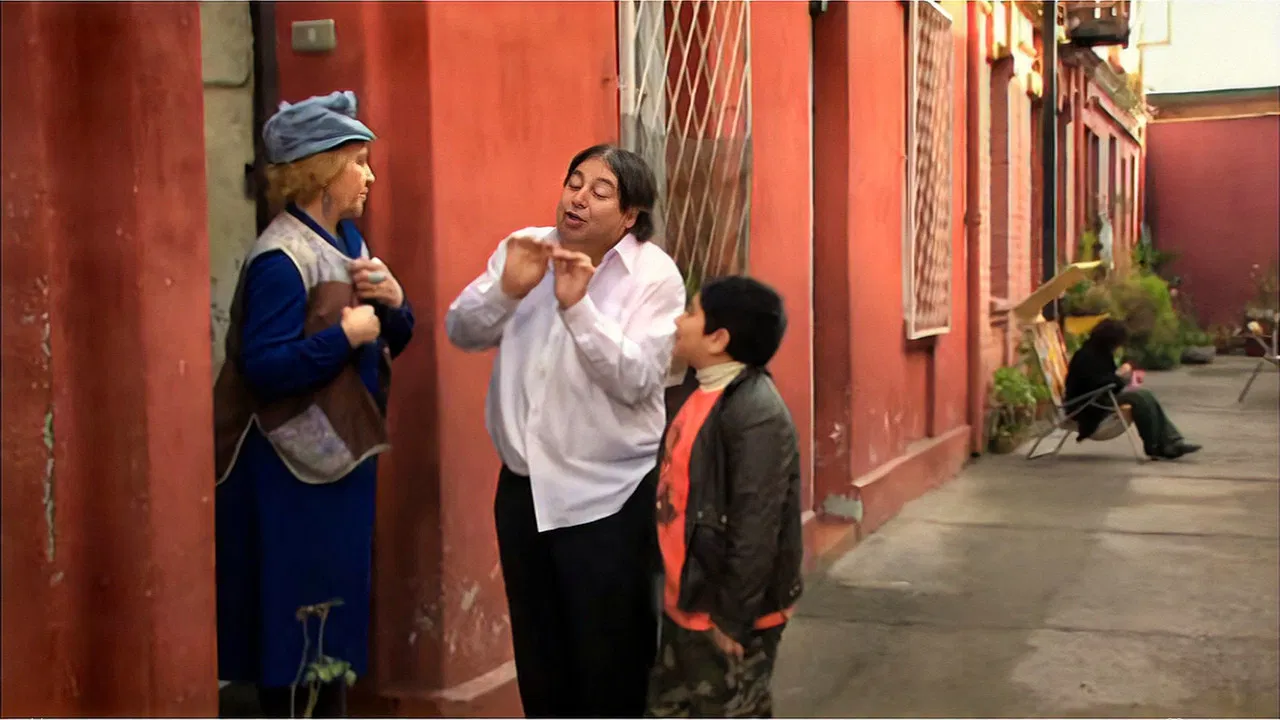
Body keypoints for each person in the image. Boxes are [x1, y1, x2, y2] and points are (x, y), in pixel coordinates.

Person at [445, 144, 686, 718]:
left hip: (606, 497)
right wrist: (506, 291)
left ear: (629, 216)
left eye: (600, 192)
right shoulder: (525, 248)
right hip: (524, 490)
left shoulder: (654, 276)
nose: (578, 198)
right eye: (574, 183)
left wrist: (578, 309)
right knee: (539, 654)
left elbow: (638, 380)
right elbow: (462, 330)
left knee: (610, 661)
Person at [213, 91, 416, 718]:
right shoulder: (280, 259)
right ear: (322, 171)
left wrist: (395, 302)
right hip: (287, 473)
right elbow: (265, 367)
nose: (369, 176)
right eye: (358, 161)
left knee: (335, 615)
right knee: (294, 624)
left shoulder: (349, 239)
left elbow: (393, 336)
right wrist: (344, 338)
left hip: (340, 461)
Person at [644, 276, 803, 718]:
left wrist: (732, 619)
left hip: (723, 615)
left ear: (718, 339)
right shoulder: (699, 394)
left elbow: (757, 525)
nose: (679, 321)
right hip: (686, 602)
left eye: (691, 312)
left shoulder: (756, 413)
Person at [1064, 318, 1200, 460]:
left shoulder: (1099, 353)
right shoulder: (1086, 356)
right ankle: (1154, 446)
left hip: (1101, 397)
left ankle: (1172, 441)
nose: (1118, 347)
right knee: (1139, 398)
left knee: (1146, 395)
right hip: (1089, 405)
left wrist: (1120, 378)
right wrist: (1120, 376)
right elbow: (1098, 383)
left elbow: (1107, 380)